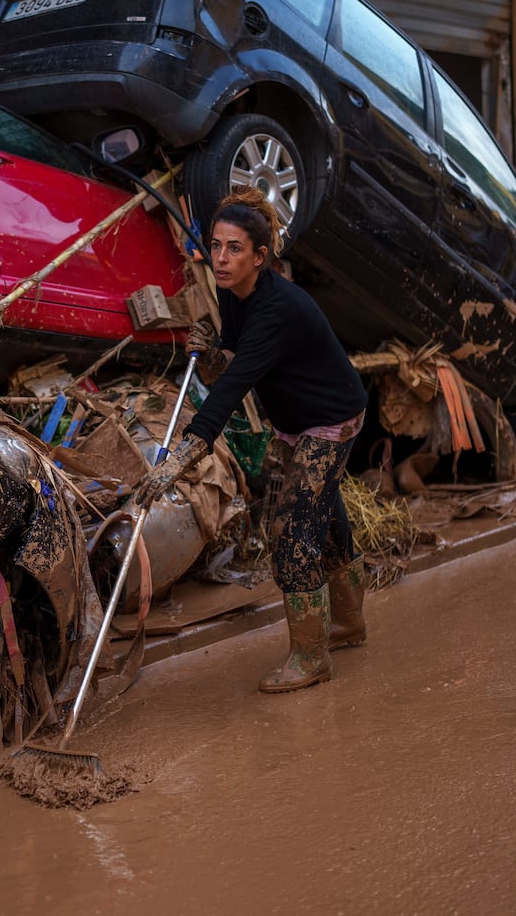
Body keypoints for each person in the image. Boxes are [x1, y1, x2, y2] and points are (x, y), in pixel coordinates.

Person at [134, 187, 369, 693]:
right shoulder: (231, 290)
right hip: (295, 418)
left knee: (291, 529)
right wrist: (213, 353)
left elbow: (232, 390)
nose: (220, 258)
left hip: (330, 419)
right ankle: (348, 623)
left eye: (234, 248)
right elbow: (233, 364)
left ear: (260, 257)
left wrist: (177, 461)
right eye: (216, 245)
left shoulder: (276, 309)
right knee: (321, 516)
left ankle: (311, 656)